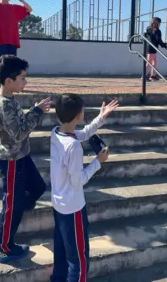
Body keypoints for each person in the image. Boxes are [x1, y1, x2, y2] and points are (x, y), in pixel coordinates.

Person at [49, 94, 119, 282]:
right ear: (79, 116)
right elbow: (78, 180)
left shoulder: (56, 132)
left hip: (59, 204)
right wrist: (97, 161)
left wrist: (101, 117)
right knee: (79, 260)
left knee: (62, 250)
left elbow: (84, 133)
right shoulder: (73, 147)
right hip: (73, 208)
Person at [0, 55, 52, 262]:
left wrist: (34, 111)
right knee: (11, 205)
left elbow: (18, 125)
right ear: (9, 81)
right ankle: (4, 247)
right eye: (23, 78)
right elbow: (18, 133)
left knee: (38, 187)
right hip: (10, 160)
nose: (26, 82)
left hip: (21, 155)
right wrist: (37, 111)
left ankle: (19, 208)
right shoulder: (4, 104)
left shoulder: (10, 98)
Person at [143, 17, 167, 81]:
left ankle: (153, 75)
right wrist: (164, 45)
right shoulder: (156, 30)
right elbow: (158, 40)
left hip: (151, 47)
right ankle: (144, 75)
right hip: (151, 47)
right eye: (159, 23)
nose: (160, 24)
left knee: (154, 62)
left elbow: (153, 37)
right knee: (149, 62)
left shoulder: (150, 29)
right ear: (156, 23)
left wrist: (163, 45)